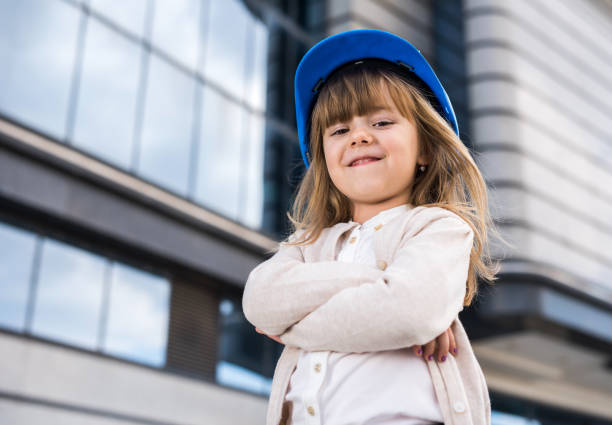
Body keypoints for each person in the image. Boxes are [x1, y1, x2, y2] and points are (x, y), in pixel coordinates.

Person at [242, 29, 507, 425]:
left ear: (427, 149)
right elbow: (259, 302)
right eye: (339, 130)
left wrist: (292, 326)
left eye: (382, 122)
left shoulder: (438, 227)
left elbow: (409, 312)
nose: (360, 136)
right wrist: (379, 285)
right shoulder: (307, 243)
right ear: (324, 161)